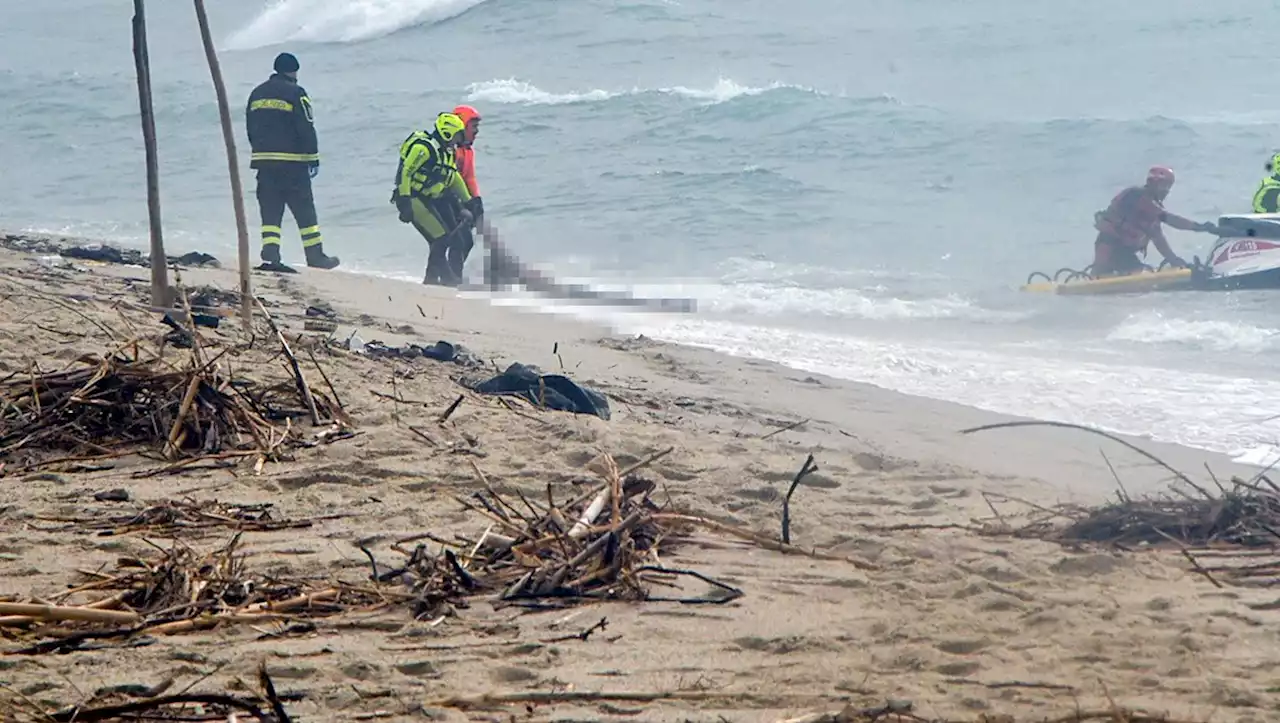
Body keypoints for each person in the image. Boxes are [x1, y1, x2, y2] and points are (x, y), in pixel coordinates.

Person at [245, 52, 339, 270]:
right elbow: (305, 125)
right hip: (293, 164)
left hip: (264, 163)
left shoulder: (256, 93)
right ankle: (315, 257)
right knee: (305, 211)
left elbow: (250, 126)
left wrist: (259, 150)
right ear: (294, 71)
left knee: (270, 210)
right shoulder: (297, 93)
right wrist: (313, 157)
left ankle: (270, 253)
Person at [391, 112, 483, 285]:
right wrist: (404, 201)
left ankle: (431, 280)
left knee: (443, 238)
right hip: (411, 198)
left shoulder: (446, 152)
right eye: (457, 136)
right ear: (448, 133)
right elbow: (406, 173)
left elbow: (453, 177)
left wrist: (470, 201)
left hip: (426, 199)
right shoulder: (423, 149)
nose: (458, 140)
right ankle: (446, 279)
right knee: (440, 239)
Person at [1090, 166, 1217, 276]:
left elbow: (1158, 238)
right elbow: (1169, 219)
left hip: (1124, 252)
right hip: (1109, 247)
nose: (1166, 191)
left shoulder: (1152, 209)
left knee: (1136, 272)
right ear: (1153, 183)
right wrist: (1199, 227)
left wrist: (1173, 259)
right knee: (1102, 276)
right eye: (1164, 186)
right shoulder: (1135, 195)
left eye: (1168, 187)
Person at [448, 104, 484, 281]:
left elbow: (469, 177)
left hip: (461, 199)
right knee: (459, 240)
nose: (476, 131)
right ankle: (450, 279)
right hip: (446, 199)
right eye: (473, 126)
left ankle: (453, 277)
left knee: (466, 242)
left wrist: (476, 200)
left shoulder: (468, 150)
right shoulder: (451, 149)